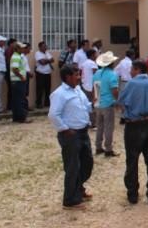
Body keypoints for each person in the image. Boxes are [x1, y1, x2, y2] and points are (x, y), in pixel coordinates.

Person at [48, 65, 93, 210]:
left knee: (87, 163)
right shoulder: (59, 94)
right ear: (68, 77)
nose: (79, 77)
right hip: (71, 135)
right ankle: (70, 200)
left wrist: (94, 103)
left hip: (83, 132)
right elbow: (53, 115)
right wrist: (65, 129)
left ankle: (78, 189)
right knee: (72, 166)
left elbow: (86, 106)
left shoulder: (78, 90)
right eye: (76, 75)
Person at [116, 60, 148, 204]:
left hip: (134, 125)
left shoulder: (132, 83)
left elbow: (121, 101)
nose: (130, 72)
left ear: (137, 69)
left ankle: (133, 194)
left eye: (132, 69)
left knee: (132, 160)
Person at [93, 51, 120, 157]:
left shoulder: (96, 73)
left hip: (98, 103)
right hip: (108, 104)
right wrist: (117, 101)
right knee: (109, 127)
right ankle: (108, 149)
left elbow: (94, 89)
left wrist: (94, 100)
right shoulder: (112, 74)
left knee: (99, 126)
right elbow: (115, 90)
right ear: (112, 63)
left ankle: (98, 147)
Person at [9, 42, 31, 123]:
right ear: (17, 49)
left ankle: (16, 118)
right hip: (18, 80)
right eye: (21, 48)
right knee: (20, 100)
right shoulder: (16, 56)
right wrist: (22, 77)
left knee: (16, 100)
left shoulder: (17, 56)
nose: (23, 49)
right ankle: (22, 118)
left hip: (16, 81)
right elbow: (15, 69)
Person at [80, 49, 98, 127]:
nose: (96, 56)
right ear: (92, 55)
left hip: (85, 86)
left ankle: (88, 122)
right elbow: (97, 74)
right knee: (94, 105)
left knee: (86, 105)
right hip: (92, 87)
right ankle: (94, 123)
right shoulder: (92, 63)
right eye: (95, 54)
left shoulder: (84, 63)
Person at [35, 41, 54, 108]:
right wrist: (48, 60)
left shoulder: (47, 53)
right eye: (43, 46)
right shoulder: (37, 53)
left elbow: (53, 60)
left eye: (45, 46)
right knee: (40, 89)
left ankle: (47, 103)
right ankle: (38, 104)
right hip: (40, 73)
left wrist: (46, 60)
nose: (45, 47)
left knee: (47, 89)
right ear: (40, 47)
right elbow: (42, 62)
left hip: (48, 73)